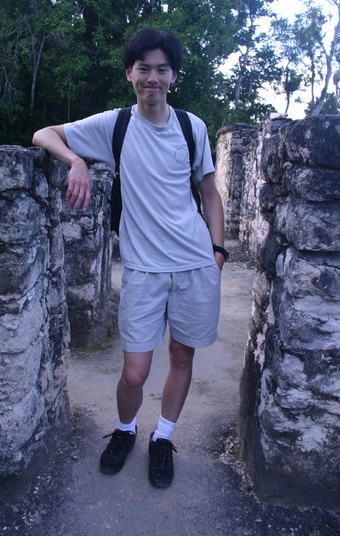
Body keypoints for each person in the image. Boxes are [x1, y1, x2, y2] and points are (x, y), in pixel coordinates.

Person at [32, 27, 227, 489]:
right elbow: (44, 134)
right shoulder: (115, 125)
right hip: (143, 270)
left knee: (181, 354)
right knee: (135, 372)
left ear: (173, 76)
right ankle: (125, 430)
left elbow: (209, 193)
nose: (152, 78)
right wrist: (76, 161)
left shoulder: (192, 127)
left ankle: (163, 437)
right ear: (129, 73)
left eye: (162, 69)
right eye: (144, 69)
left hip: (195, 263)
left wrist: (217, 253)